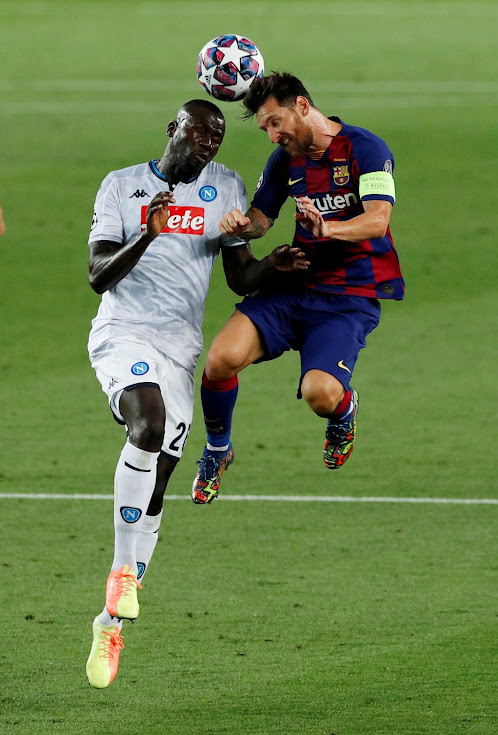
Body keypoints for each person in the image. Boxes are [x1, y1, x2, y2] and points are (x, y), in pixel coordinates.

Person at [85, 99, 307, 689]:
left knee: (157, 484)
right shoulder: (123, 187)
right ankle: (121, 579)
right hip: (123, 331)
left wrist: (274, 266)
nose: (207, 145)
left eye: (215, 139)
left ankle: (111, 624)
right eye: (198, 133)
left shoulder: (225, 188)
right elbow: (98, 274)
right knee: (147, 426)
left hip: (180, 347)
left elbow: (239, 276)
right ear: (172, 130)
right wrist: (148, 236)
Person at [191, 72, 404, 505]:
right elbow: (262, 219)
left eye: (275, 122)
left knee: (319, 395)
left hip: (348, 297)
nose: (272, 136)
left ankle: (343, 412)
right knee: (219, 360)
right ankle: (217, 451)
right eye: (266, 128)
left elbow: (378, 220)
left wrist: (328, 227)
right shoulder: (287, 160)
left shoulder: (367, 149)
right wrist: (239, 226)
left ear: (302, 106)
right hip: (294, 284)